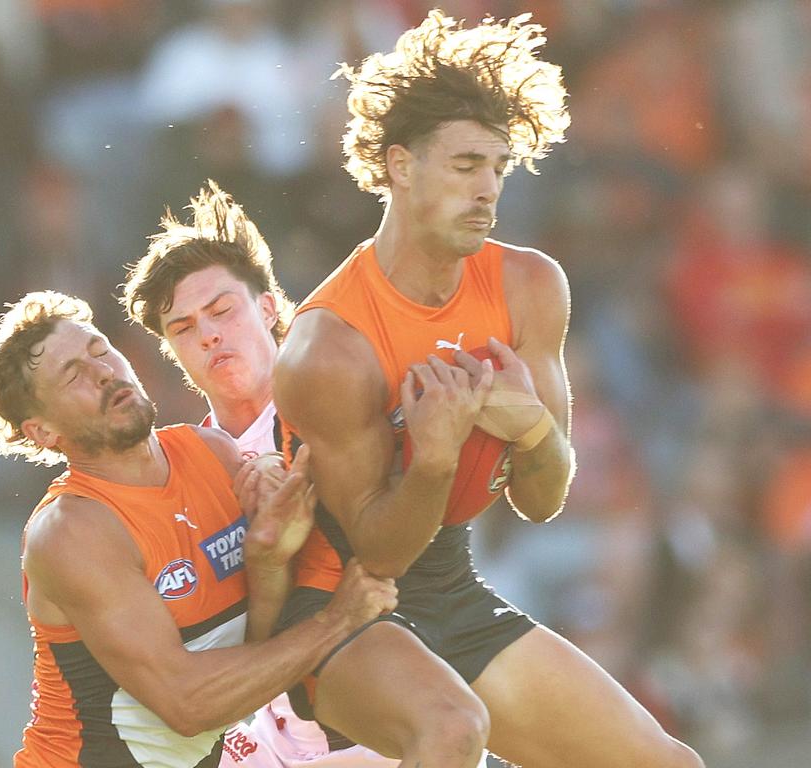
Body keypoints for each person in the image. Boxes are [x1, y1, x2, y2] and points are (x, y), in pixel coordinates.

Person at [264, 11, 704, 768]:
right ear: (401, 166)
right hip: (337, 606)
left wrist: (533, 431)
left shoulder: (532, 285)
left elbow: (543, 498)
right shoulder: (328, 346)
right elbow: (377, 554)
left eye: (499, 166)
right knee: (451, 730)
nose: (489, 188)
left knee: (670, 764)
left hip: (449, 582)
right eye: (467, 165)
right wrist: (433, 459)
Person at [0, 290, 397, 768]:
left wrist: (269, 558)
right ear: (42, 432)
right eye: (73, 375)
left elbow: (255, 654)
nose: (104, 371)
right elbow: (188, 705)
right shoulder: (70, 531)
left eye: (100, 349)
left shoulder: (214, 453)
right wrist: (338, 620)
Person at [125, 181, 436, 768]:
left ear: (268, 308)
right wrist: (263, 557)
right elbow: (224, 645)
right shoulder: (184, 469)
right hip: (268, 733)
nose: (209, 334)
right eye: (183, 328)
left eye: (221, 310)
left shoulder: (335, 401)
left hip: (381, 719)